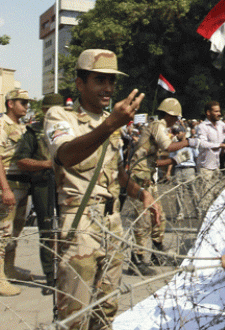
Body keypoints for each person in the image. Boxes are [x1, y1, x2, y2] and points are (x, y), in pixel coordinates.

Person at [45, 49, 158, 329]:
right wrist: (110, 124)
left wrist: (141, 193)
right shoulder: (61, 116)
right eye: (100, 80)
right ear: (80, 83)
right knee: (75, 314)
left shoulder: (113, 123)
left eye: (112, 81)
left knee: (107, 309)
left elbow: (116, 175)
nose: (108, 88)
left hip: (112, 224)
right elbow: (67, 155)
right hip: (80, 222)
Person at [128, 97, 192, 275]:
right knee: (143, 220)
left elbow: (155, 161)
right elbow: (168, 146)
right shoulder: (158, 126)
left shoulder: (157, 128)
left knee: (159, 217)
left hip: (147, 176)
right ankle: (137, 259)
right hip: (140, 179)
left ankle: (157, 251)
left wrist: (175, 160)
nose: (177, 121)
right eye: (176, 117)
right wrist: (189, 142)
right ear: (170, 115)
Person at [13, 92, 63, 295]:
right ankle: (51, 278)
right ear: (44, 111)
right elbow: (21, 160)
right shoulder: (33, 132)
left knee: (70, 229)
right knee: (47, 229)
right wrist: (47, 164)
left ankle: (68, 273)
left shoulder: (72, 128)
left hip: (67, 185)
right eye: (51, 110)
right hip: (44, 184)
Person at [0, 88, 32, 296]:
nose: (26, 106)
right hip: (8, 185)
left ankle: (9, 269)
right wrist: (4, 189)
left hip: (21, 185)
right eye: (22, 102)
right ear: (10, 103)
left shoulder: (20, 127)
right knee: (1, 231)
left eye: (27, 102)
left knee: (15, 230)